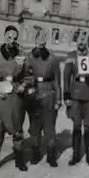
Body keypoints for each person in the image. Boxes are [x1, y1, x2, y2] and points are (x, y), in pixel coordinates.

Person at [0, 25, 35, 173]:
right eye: (9, 37)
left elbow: (29, 76)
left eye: (14, 37)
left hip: (16, 97)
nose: (11, 40)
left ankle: (19, 159)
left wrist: (23, 85)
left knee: (17, 129)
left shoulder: (21, 55)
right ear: (4, 37)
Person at [63, 31, 89, 167]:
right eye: (79, 40)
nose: (81, 42)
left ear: (87, 42)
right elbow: (66, 77)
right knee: (76, 125)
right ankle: (76, 155)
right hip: (75, 97)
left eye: (84, 40)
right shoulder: (71, 57)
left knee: (88, 126)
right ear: (76, 41)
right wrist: (66, 95)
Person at [25, 29, 62, 167]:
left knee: (49, 127)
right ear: (35, 41)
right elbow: (25, 77)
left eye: (43, 40)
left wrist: (58, 99)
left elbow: (57, 81)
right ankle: (36, 154)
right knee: (34, 127)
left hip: (48, 93)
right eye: (38, 40)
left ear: (45, 41)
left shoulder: (52, 58)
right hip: (34, 92)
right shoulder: (28, 57)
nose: (40, 43)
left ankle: (51, 156)